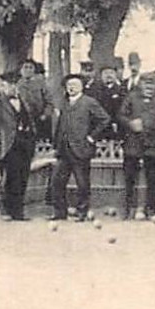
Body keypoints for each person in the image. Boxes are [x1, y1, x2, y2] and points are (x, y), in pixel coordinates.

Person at [0, 70, 40, 221]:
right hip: (7, 142)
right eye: (9, 85)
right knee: (8, 177)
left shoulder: (25, 98)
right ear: (2, 86)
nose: (12, 88)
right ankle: (5, 210)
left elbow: (31, 116)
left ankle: (18, 212)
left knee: (23, 177)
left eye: (15, 85)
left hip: (25, 142)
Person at [50, 73, 111, 222]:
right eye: (69, 85)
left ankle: (82, 212)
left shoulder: (89, 102)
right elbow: (59, 126)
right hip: (64, 150)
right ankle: (60, 212)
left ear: (82, 87)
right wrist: (56, 145)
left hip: (81, 149)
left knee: (82, 183)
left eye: (75, 85)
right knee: (57, 182)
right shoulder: (63, 103)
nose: (71, 88)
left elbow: (105, 119)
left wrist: (91, 137)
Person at [118, 72, 155, 221]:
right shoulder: (131, 97)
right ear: (140, 84)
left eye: (152, 84)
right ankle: (128, 208)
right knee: (129, 177)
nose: (149, 87)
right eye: (146, 83)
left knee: (152, 178)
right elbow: (120, 115)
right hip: (133, 143)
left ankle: (150, 208)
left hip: (152, 143)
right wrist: (130, 123)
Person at [86, 64, 126, 140]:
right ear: (101, 76)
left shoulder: (122, 90)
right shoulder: (94, 91)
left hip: (116, 126)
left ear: (116, 75)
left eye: (111, 73)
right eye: (106, 73)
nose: (108, 75)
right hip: (98, 126)